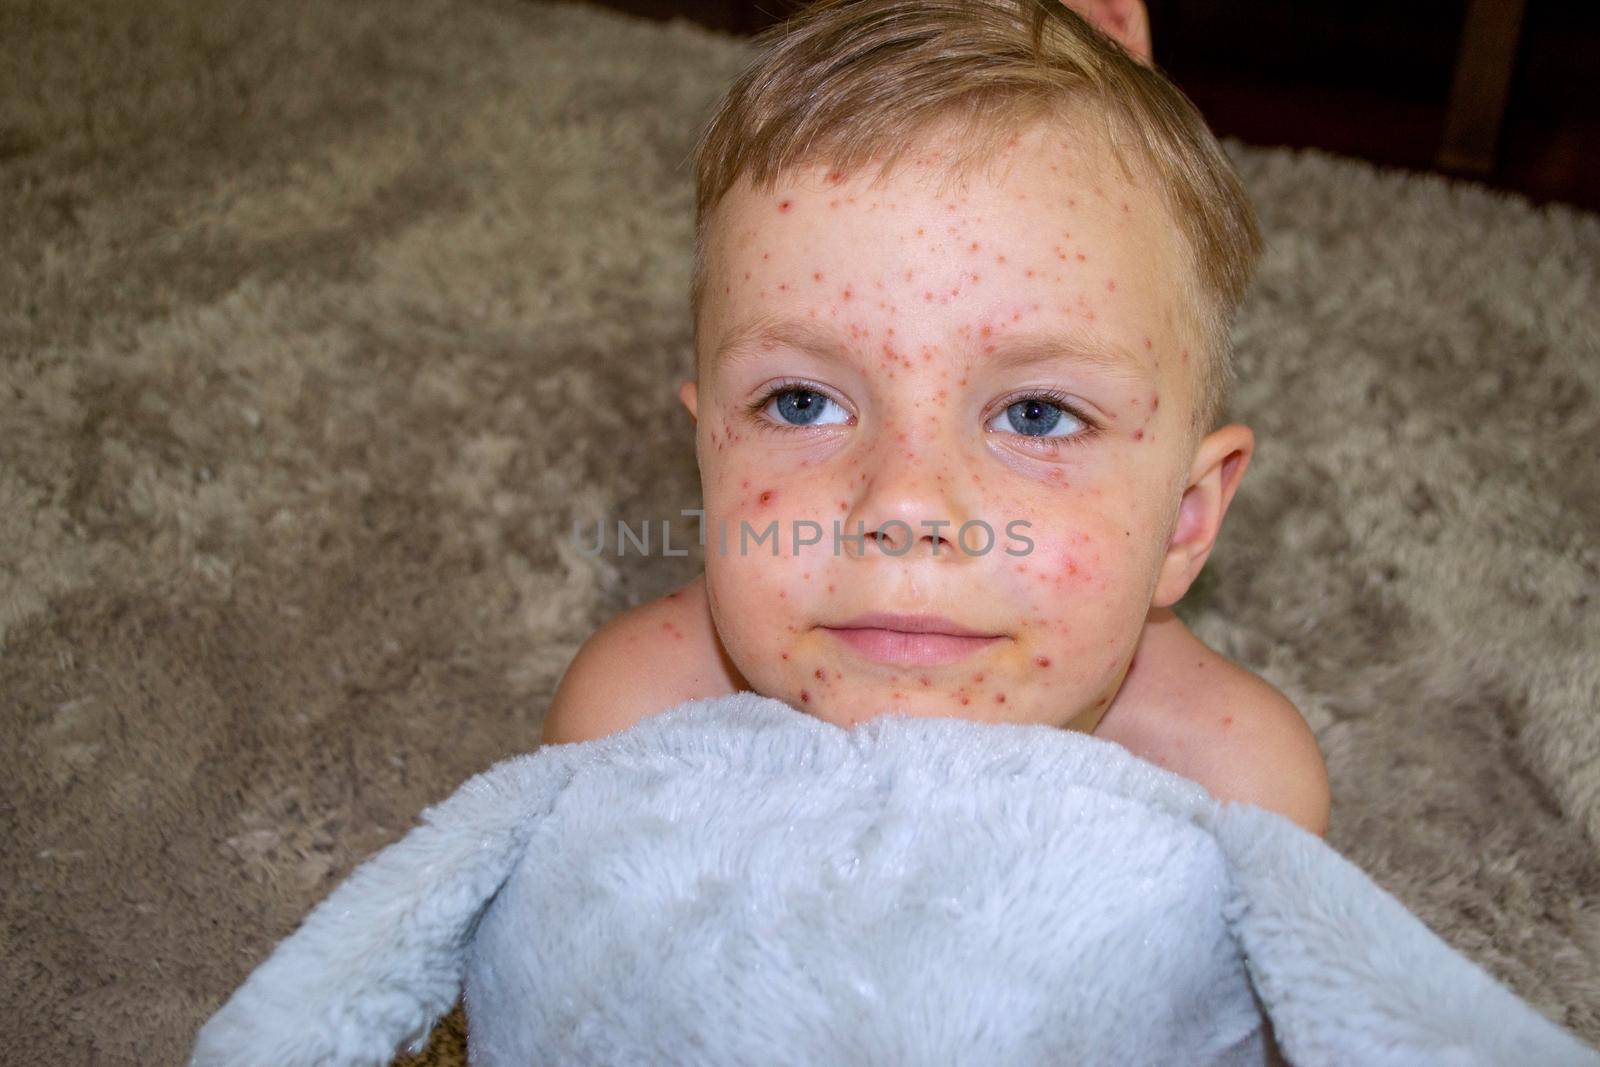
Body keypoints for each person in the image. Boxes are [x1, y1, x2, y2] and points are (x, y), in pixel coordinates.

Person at [542, 0, 1330, 838]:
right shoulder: (631, 734)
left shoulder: (1230, 792)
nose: (905, 505)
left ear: (1184, 519)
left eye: (1036, 415)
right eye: (802, 403)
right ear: (707, 454)